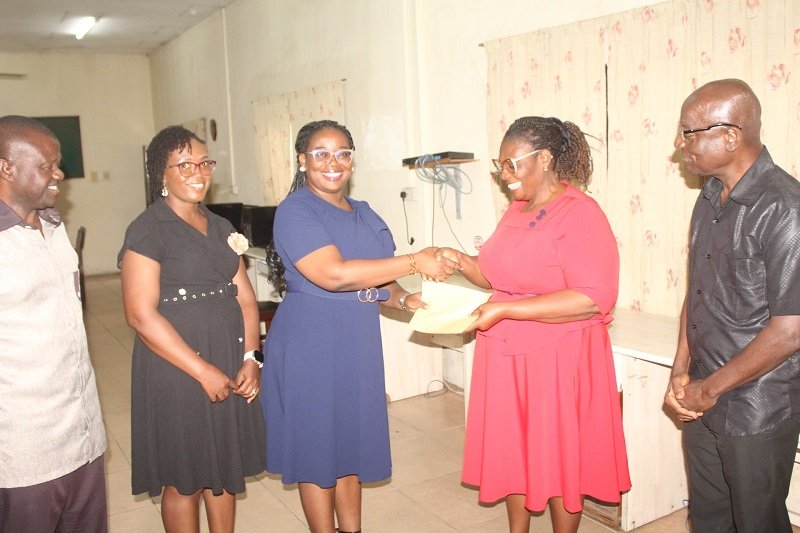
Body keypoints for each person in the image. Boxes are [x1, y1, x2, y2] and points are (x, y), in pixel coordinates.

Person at [261, 119, 458, 533]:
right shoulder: (296, 210)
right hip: (311, 341)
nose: (333, 162)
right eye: (321, 154)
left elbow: (379, 278)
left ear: (352, 159)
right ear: (302, 160)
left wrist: (403, 298)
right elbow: (333, 275)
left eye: (342, 153)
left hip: (356, 341)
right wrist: (414, 261)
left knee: (349, 441)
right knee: (317, 448)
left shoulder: (365, 212)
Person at [438, 116, 631, 533]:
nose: (504, 174)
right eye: (500, 165)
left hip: (558, 357)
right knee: (514, 451)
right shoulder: (516, 209)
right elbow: (499, 277)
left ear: (544, 158)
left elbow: (592, 298)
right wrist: (464, 262)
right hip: (506, 354)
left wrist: (505, 311)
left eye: (512, 164)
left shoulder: (579, 213)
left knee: (559, 457)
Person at [664, 79, 800, 533]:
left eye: (689, 132)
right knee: (708, 518)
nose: (680, 144)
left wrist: (709, 389)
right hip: (703, 391)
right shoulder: (707, 199)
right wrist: (681, 371)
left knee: (757, 521)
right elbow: (697, 292)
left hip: (757, 405)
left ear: (729, 136)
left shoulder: (786, 208)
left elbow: (790, 330)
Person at [119, 126, 266, 533]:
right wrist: (202, 371)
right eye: (184, 165)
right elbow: (140, 315)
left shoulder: (220, 226)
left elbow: (246, 298)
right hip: (177, 365)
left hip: (227, 357)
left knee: (223, 468)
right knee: (185, 477)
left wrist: (251, 358)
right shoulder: (148, 229)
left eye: (204, 163)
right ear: (160, 174)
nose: (197, 172)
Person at [0, 115, 107, 532]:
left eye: (57, 163)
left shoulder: (51, 224)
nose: (59, 174)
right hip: (25, 451)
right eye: (46, 166)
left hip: (83, 436)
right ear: (6, 168)